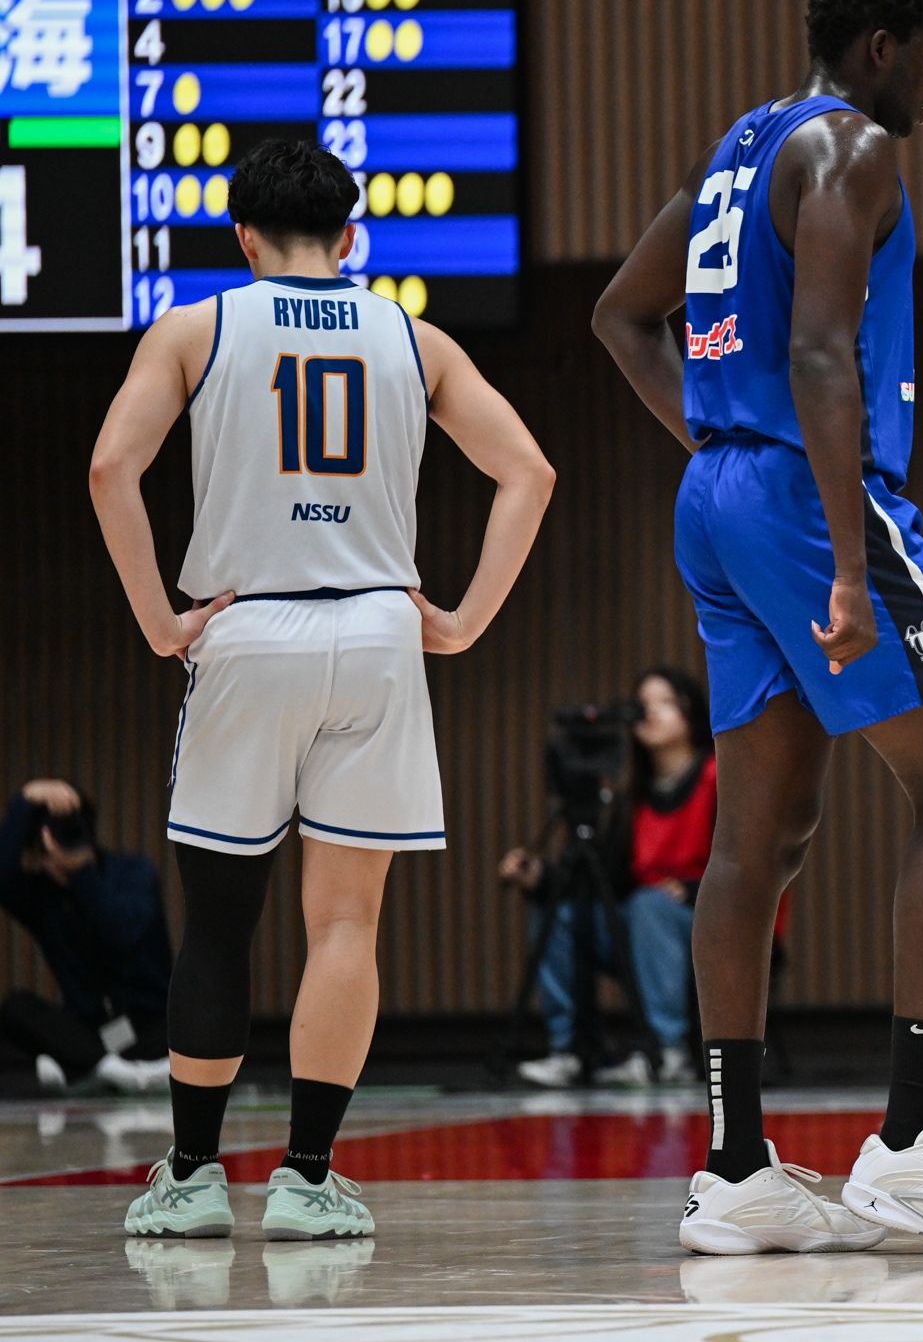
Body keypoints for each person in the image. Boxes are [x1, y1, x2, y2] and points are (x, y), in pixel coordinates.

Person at [593, 0, 923, 1255]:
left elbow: (621, 316)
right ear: (877, 49)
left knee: (760, 835)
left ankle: (737, 1167)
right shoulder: (852, 147)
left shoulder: (738, 154)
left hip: (720, 500)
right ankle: (908, 1143)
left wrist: (715, 449)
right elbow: (818, 349)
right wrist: (851, 563)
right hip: (806, 497)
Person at [91, 138, 554, 1241]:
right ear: (351, 237)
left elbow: (112, 468)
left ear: (242, 238)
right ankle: (306, 1180)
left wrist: (159, 622)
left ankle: (193, 1179)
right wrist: (464, 618)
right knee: (346, 921)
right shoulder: (414, 337)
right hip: (380, 634)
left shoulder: (196, 328)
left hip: (247, 628)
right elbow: (528, 471)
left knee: (219, 921)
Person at [502, 666, 718, 1088]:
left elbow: (748, 866)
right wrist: (543, 879)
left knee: (650, 905)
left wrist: (692, 891)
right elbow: (607, 881)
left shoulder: (717, 777)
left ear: (692, 712)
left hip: (709, 929)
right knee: (560, 914)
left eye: (666, 702)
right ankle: (572, 1049)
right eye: (643, 703)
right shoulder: (632, 797)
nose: (650, 712)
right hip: (643, 932)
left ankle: (667, 1051)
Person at [0, 779, 173, 1094]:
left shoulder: (135, 874)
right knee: (15, 1007)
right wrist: (25, 800)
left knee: (196, 1014)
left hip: (153, 1021)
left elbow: (122, 935)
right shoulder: (41, 896)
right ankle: (119, 1073)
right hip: (89, 1027)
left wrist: (81, 873)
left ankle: (83, 1068)